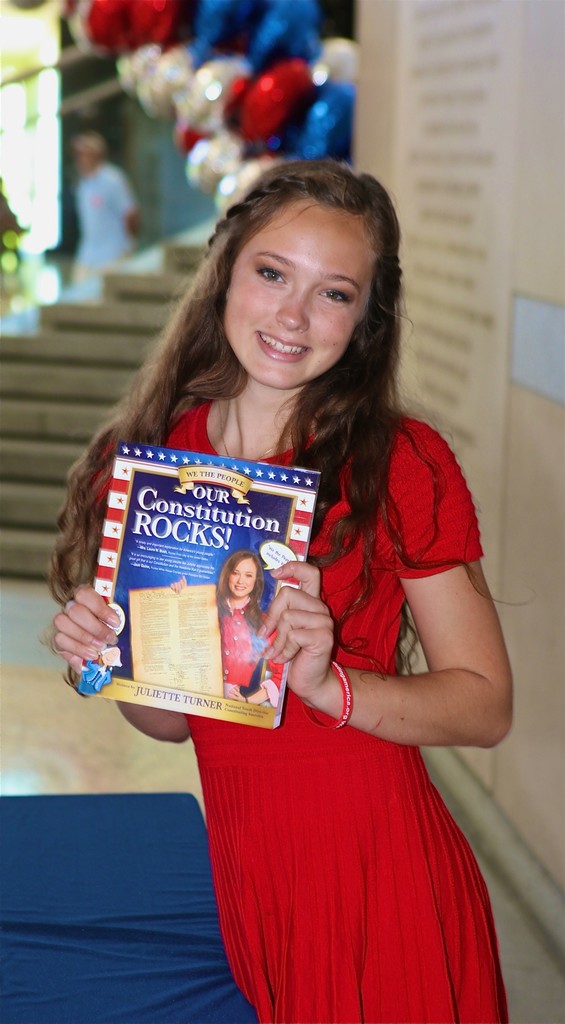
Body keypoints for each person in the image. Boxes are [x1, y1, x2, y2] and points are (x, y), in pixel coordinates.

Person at [50, 159, 513, 1023]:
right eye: (272, 274)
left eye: (333, 293)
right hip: (249, 874)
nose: (293, 316)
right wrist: (104, 655)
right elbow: (172, 719)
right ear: (225, 272)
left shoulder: (400, 463)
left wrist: (329, 684)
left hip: (379, 874)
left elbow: (484, 706)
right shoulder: (157, 463)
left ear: (365, 319)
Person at [171, 550, 282, 705]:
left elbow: (281, 674)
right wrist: (177, 599)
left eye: (248, 575)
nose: (240, 581)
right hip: (186, 696)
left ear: (256, 580)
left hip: (229, 708)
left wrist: (248, 701)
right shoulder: (205, 606)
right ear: (227, 575)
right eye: (235, 573)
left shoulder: (264, 623)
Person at [70, 131, 139, 282]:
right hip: (88, 256)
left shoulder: (113, 180)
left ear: (97, 155)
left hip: (112, 256)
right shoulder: (83, 183)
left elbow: (130, 213)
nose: (80, 158)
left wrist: (128, 246)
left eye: (85, 154)